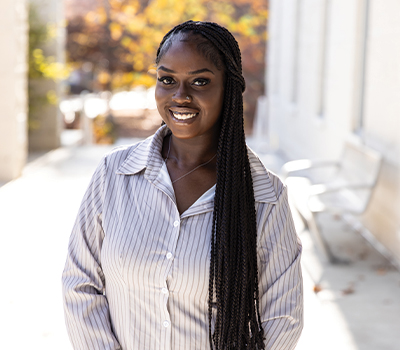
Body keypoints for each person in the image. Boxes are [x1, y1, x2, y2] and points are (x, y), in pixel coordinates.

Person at [62, 20, 303, 350]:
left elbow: (283, 318)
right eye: (167, 80)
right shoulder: (114, 174)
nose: (180, 96)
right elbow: (80, 284)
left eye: (200, 81)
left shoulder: (264, 197)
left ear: (228, 88)